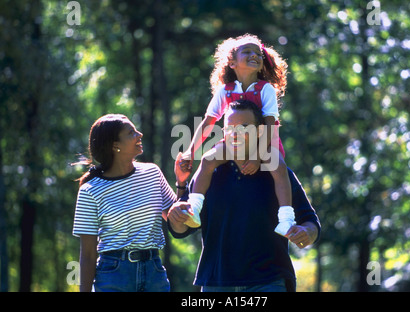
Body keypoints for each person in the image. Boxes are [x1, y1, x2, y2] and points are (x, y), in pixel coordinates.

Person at [168, 100, 320, 292]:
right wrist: (177, 212)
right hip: (216, 282)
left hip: (269, 281)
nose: (235, 133)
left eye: (244, 127)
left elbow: (311, 222)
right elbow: (181, 230)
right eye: (229, 127)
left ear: (259, 132)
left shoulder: (279, 174)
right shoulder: (207, 173)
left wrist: (307, 232)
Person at [179, 34, 294, 236]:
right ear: (232, 62)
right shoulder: (225, 90)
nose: (255, 55)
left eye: (258, 53)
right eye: (247, 52)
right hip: (233, 143)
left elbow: (270, 124)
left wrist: (258, 156)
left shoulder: (265, 89)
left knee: (279, 167)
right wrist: (190, 151)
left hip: (264, 143)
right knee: (207, 160)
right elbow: (208, 122)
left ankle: (286, 219)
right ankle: (194, 209)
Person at [72, 114, 189, 292]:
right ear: (115, 145)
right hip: (113, 276)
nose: (139, 134)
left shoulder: (152, 173)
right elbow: (87, 255)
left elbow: (178, 222)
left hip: (154, 273)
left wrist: (181, 183)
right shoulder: (90, 191)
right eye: (131, 132)